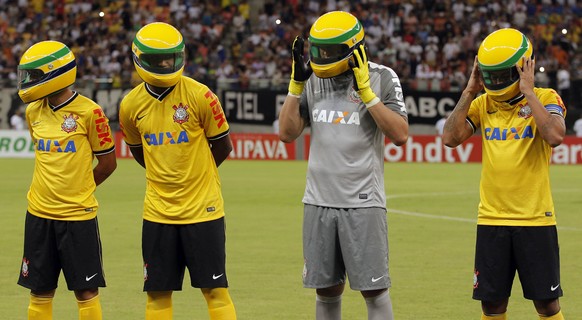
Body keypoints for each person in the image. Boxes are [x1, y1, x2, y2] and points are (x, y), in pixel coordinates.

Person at [278, 11, 408, 320]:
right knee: (326, 291)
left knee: (374, 291)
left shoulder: (382, 77)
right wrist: (296, 85)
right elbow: (286, 133)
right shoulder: (311, 79)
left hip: (362, 202)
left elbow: (400, 134)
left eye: (330, 52)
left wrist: (367, 93)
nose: (322, 58)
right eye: (318, 50)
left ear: (353, 48)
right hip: (317, 201)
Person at [442, 28, 566, 320]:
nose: (495, 82)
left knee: (547, 305)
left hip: (535, 219)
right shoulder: (484, 104)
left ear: (524, 66)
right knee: (492, 304)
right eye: (490, 76)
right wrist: (470, 90)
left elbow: (555, 136)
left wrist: (528, 92)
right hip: (491, 219)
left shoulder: (547, 97)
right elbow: (450, 138)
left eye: (501, 76)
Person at [118, 22, 236, 320]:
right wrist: (166, 172)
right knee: (157, 295)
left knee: (216, 292)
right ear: (140, 58)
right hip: (158, 212)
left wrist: (195, 173)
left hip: (204, 210)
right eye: (158, 60)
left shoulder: (201, 95)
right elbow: (138, 152)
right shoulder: (130, 105)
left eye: (170, 58)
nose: (165, 64)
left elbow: (222, 146)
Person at [16, 40, 117, 319]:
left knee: (86, 291)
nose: (28, 82)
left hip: (77, 215)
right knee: (39, 290)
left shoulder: (90, 112)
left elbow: (108, 163)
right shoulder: (32, 111)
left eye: (34, 76)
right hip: (38, 213)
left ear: (55, 74)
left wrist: (80, 188)